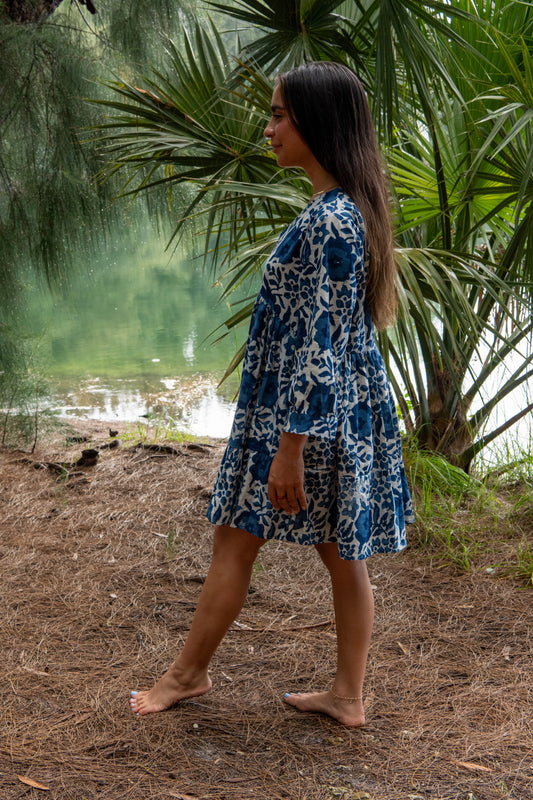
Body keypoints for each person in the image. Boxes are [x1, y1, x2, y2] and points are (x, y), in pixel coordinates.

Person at [130, 61, 414, 728]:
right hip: (324, 415)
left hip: (302, 422)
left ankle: (186, 675)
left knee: (238, 539)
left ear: (317, 122)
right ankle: (345, 696)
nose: (268, 127)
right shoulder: (343, 211)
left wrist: (287, 451)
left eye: (279, 114)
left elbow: (317, 349)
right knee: (340, 554)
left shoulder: (332, 221)